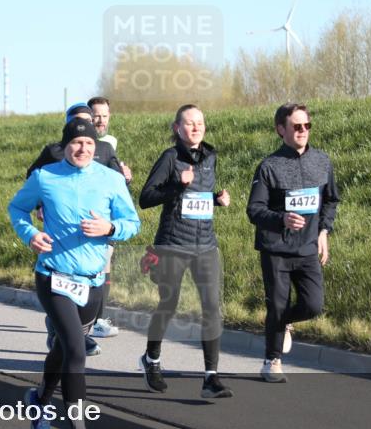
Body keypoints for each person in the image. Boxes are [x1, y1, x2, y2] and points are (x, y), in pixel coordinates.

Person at [9, 118, 140, 429]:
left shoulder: (110, 179)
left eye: (89, 145)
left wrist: (110, 226)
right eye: (76, 143)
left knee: (65, 350)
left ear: (96, 148)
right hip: (53, 277)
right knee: (77, 350)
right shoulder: (45, 176)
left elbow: (133, 223)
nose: (82, 149)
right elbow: (17, 208)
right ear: (65, 145)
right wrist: (29, 234)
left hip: (93, 281)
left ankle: (39, 400)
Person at [138, 104, 232, 398]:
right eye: (189, 124)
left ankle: (211, 378)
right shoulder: (170, 158)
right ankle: (151, 359)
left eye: (200, 123)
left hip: (205, 244)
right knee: (169, 302)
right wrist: (177, 185)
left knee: (212, 307)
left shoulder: (210, 157)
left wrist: (216, 199)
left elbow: (198, 197)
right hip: (173, 244)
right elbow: (146, 197)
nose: (196, 128)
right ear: (177, 128)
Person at [247, 103, 339, 382]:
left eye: (307, 126)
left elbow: (331, 200)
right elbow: (254, 210)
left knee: (314, 305)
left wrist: (324, 231)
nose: (303, 131)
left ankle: (283, 324)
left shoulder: (322, 161)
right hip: (276, 250)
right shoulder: (269, 166)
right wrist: (282, 219)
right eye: (296, 126)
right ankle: (271, 361)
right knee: (276, 304)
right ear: (281, 130)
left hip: (308, 248)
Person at [27, 102, 129, 352]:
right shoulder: (53, 152)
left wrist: (111, 223)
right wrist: (41, 205)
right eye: (76, 122)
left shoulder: (104, 148)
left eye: (89, 120)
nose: (83, 129)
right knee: (62, 286)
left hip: (98, 229)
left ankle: (85, 327)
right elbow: (33, 178)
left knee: (99, 272)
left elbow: (119, 184)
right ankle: (63, 329)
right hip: (61, 240)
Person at [88, 95, 133, 339]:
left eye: (105, 116)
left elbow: (115, 176)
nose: (101, 120)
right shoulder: (77, 143)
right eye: (96, 115)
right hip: (84, 215)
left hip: (106, 216)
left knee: (104, 265)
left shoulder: (109, 144)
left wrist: (125, 175)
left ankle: (98, 319)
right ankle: (78, 318)